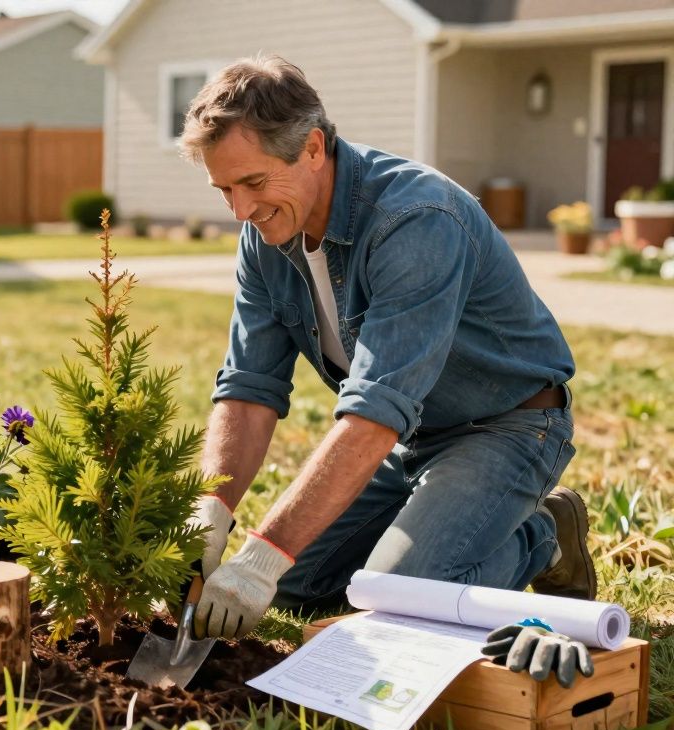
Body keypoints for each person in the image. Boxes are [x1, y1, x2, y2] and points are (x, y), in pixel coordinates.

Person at [180, 54, 593, 641]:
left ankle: (541, 533)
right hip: (414, 434)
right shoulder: (265, 233)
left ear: (314, 148)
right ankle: (436, 528)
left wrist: (262, 554)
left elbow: (375, 413)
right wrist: (211, 515)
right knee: (299, 586)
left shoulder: (416, 219)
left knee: (403, 597)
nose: (241, 210)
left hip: (508, 427)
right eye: (224, 188)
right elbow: (249, 389)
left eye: (254, 182)